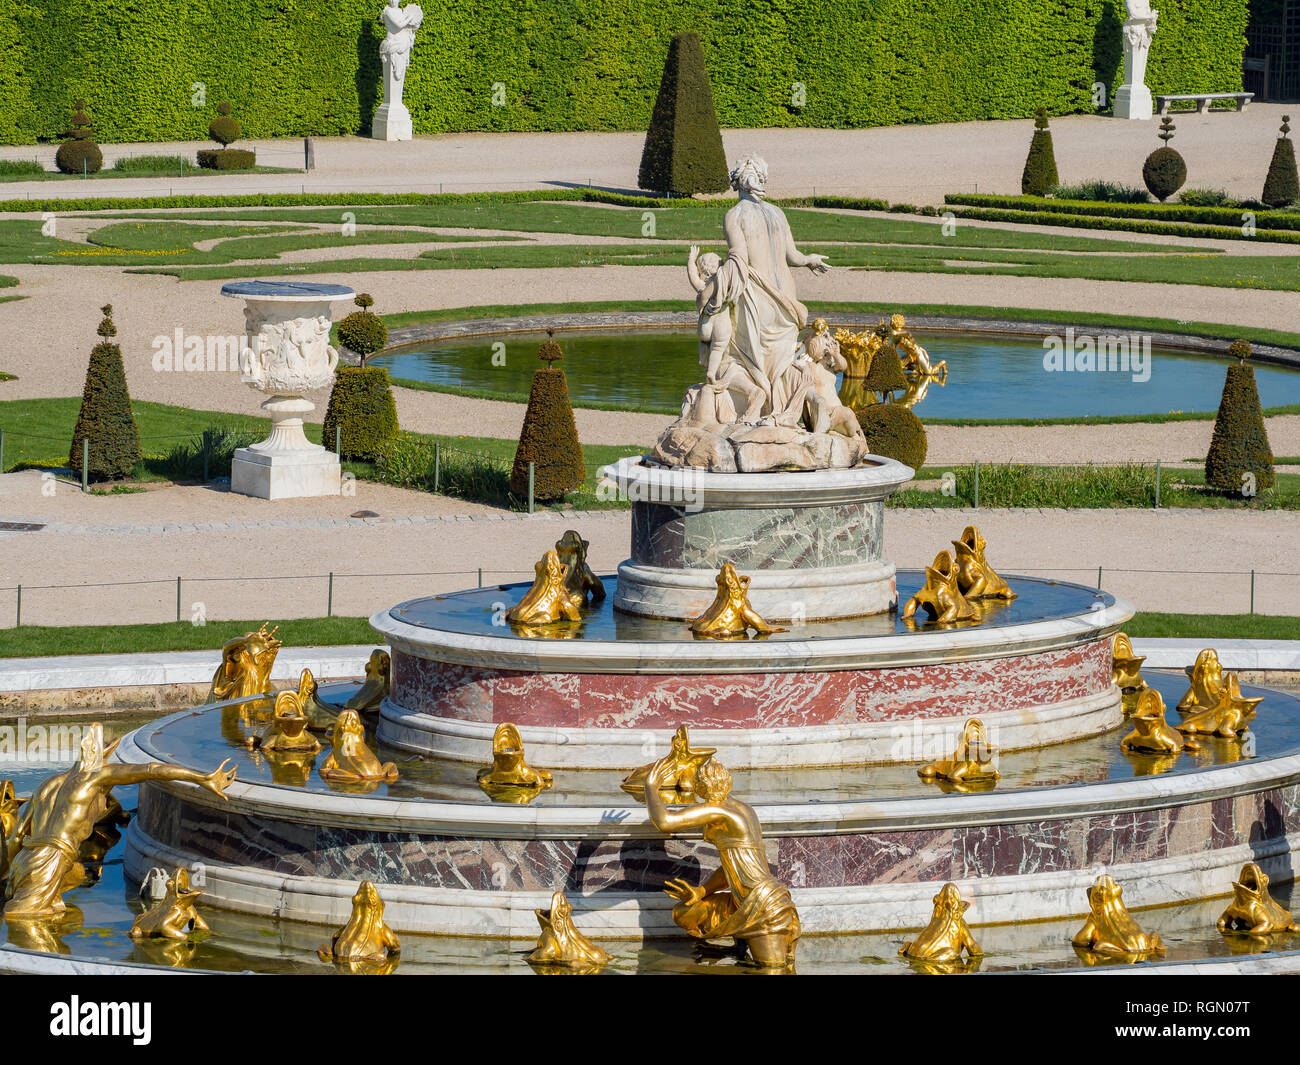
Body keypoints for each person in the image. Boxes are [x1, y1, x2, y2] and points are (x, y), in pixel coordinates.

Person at [3, 725, 236, 919]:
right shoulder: (96, 776)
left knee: (75, 878)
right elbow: (152, 770)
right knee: (21, 919)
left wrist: (9, 875)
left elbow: (15, 837)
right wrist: (201, 778)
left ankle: (50, 903)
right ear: (99, 758)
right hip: (52, 857)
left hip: (26, 857)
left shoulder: (49, 783)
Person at [642, 756, 800, 968]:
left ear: (700, 786)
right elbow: (733, 867)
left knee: (773, 970)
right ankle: (739, 946)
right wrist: (702, 891)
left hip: (762, 907)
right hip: (747, 901)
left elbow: (664, 821)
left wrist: (650, 787)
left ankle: (745, 942)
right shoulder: (744, 809)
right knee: (683, 913)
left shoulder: (718, 809)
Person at [708, 155, 830, 424]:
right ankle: (804, 403)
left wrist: (713, 283)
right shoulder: (778, 213)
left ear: (737, 183)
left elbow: (738, 259)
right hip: (787, 297)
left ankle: (760, 410)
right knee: (784, 361)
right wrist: (810, 260)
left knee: (744, 358)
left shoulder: (734, 215)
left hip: (759, 296)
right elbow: (794, 256)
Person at [687, 245, 764, 423]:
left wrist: (690, 259)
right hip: (720, 321)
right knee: (718, 347)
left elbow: (692, 276)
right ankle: (711, 373)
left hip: (705, 323)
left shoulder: (702, 286)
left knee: (705, 342)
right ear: (718, 268)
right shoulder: (724, 284)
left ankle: (702, 358)